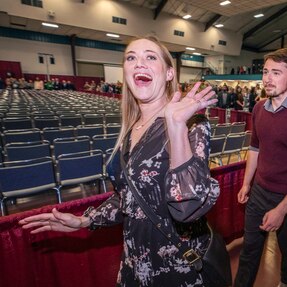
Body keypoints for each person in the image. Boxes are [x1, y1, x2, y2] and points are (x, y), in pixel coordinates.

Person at [19, 36, 223, 286]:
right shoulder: (130, 129)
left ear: (170, 73)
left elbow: (187, 209)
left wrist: (176, 126)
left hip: (176, 270)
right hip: (134, 265)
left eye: (150, 56)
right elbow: (128, 197)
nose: (139, 63)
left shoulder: (192, 125)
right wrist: (86, 220)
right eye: (131, 57)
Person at [234, 48, 287, 287]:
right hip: (259, 192)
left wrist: (282, 210)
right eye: (265, 72)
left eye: (276, 72)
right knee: (249, 249)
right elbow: (255, 149)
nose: (267, 78)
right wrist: (246, 183)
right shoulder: (259, 108)